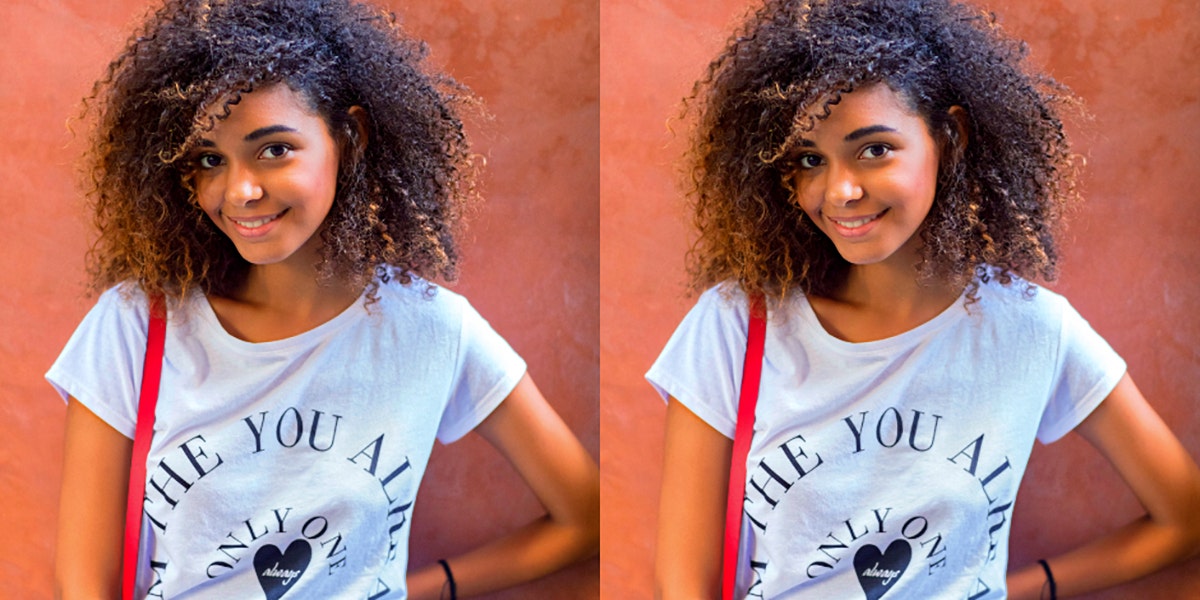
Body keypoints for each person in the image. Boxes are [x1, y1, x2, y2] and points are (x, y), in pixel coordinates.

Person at [647, 0, 1200, 598]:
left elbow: (1184, 518)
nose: (840, 190)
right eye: (811, 159)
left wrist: (1023, 589)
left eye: (874, 148)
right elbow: (681, 582)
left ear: (949, 136)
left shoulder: (1033, 331)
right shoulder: (736, 323)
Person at [48, 0, 599, 598]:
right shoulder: (137, 324)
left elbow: (586, 517)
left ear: (349, 136)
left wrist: (422, 589)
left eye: (274, 148)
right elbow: (82, 581)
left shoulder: (433, 331)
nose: (240, 190)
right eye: (211, 160)